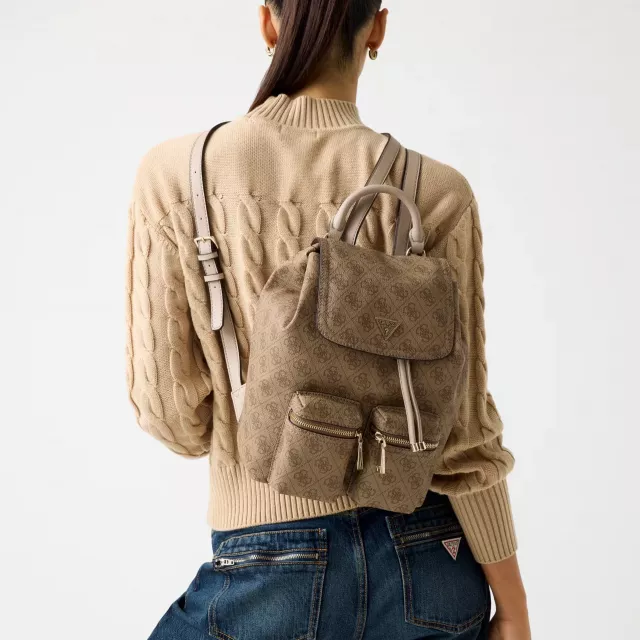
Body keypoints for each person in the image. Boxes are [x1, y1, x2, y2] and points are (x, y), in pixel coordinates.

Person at [125, 1, 531, 638]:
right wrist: (512, 606)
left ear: (268, 22)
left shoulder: (177, 176)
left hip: (267, 567)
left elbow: (171, 416)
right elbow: (462, 436)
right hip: (429, 563)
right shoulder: (435, 191)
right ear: (378, 28)